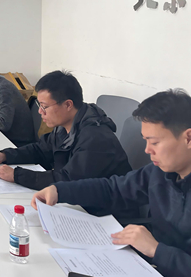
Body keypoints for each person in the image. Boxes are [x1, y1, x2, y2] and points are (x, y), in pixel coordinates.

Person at [32, 89, 191, 277]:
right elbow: (113, 189)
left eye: (154, 142)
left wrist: (156, 250)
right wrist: (59, 191)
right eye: (146, 141)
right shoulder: (159, 172)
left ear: (188, 138)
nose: (147, 150)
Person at [0, 70, 133, 216]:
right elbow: (41, 150)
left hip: (107, 215)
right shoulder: (66, 126)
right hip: (80, 204)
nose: (40, 112)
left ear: (68, 105)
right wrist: (5, 155)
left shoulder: (95, 138)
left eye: (44, 106)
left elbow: (67, 180)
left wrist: (17, 175)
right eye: (39, 105)